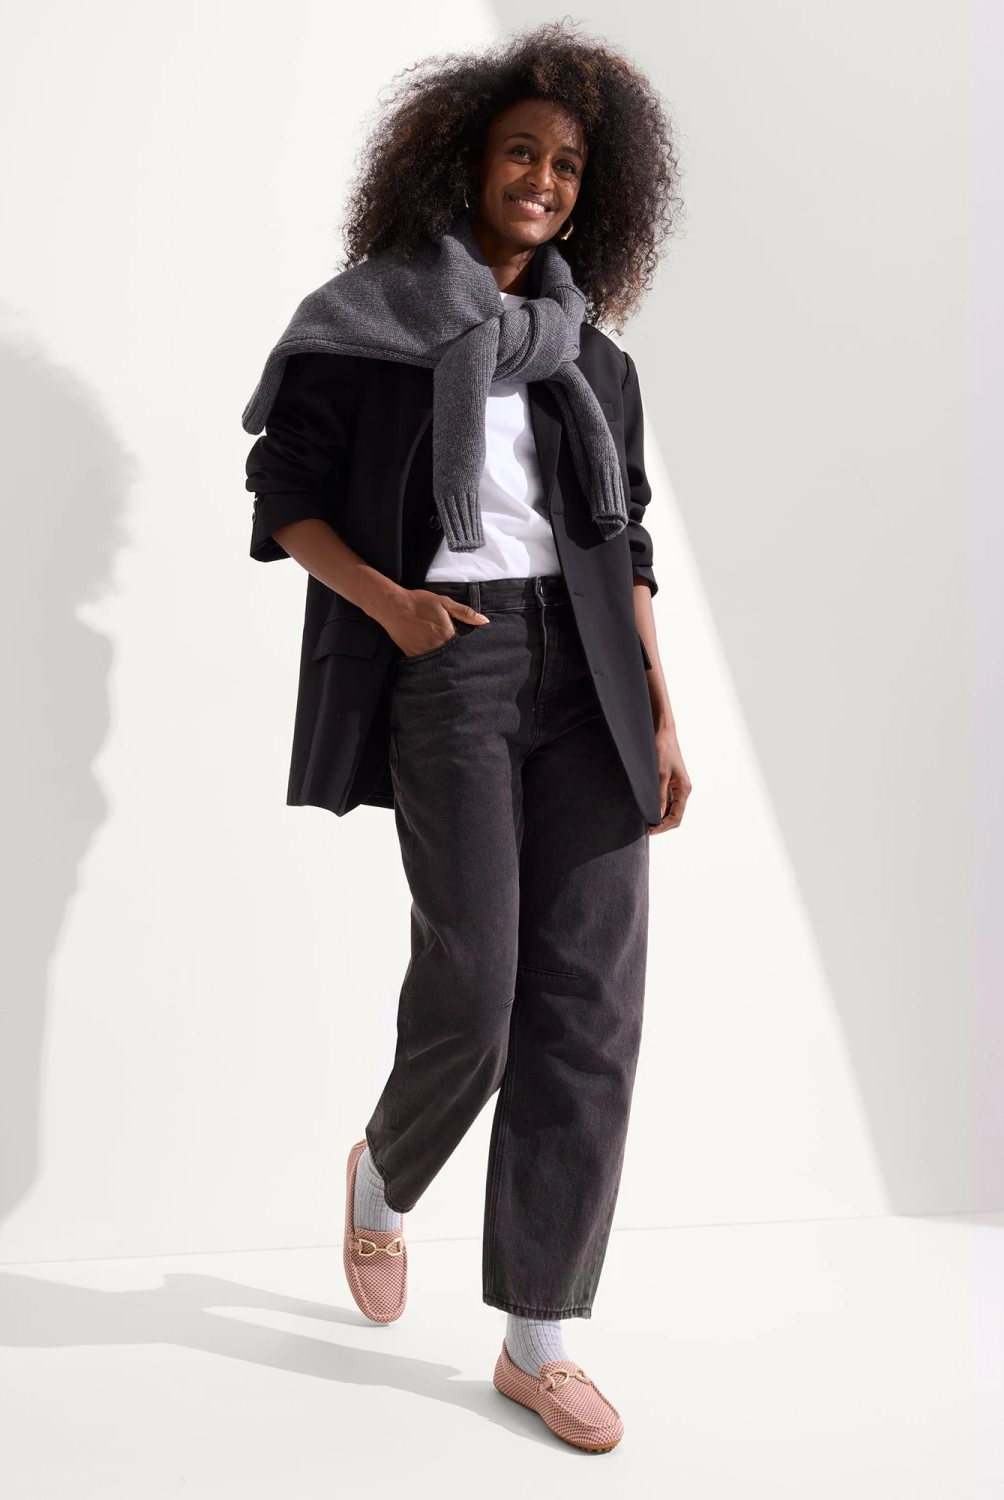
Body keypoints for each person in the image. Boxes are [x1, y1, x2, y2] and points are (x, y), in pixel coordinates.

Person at [240, 22, 691, 1454]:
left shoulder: (593, 359)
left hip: (594, 676)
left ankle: (538, 1339)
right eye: (520, 153)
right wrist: (393, 606)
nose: (543, 180)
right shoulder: (367, 322)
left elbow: (626, 543)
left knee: (590, 1007)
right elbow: (284, 494)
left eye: (568, 165)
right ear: (462, 162)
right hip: (453, 659)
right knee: (477, 989)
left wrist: (660, 706)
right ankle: (386, 1172)